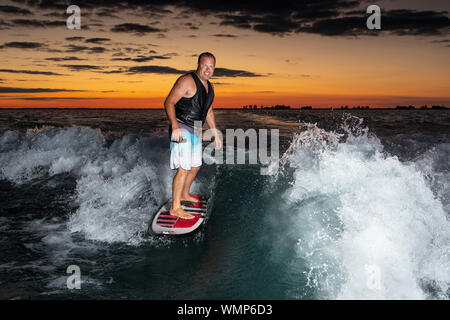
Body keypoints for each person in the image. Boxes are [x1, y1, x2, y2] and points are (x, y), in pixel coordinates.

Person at [164, 52, 222, 219]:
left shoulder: (209, 88)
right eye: (205, 65)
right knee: (183, 168)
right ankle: (175, 207)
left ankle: (184, 194)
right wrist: (175, 126)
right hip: (181, 127)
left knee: (195, 166)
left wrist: (215, 134)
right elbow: (169, 102)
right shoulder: (187, 81)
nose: (207, 69)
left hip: (196, 130)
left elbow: (209, 112)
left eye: (211, 66)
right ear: (198, 65)